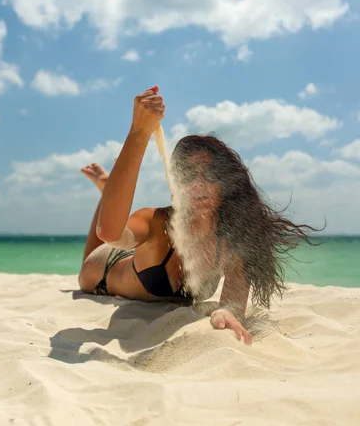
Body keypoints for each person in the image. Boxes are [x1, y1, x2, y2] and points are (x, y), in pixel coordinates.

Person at [79, 86, 316, 345]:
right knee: (91, 256)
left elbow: (232, 304)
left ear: (225, 182)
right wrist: (139, 131)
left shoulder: (234, 236)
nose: (199, 184)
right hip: (106, 268)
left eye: (210, 175)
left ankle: (110, 190)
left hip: (130, 246)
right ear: (176, 182)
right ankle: (108, 191)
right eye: (190, 175)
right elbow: (110, 233)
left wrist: (226, 313)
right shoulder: (157, 222)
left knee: (111, 224)